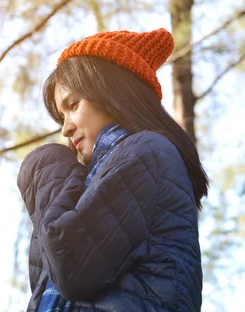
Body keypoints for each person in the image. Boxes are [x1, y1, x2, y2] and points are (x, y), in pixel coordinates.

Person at [17, 28, 208, 312]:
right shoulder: (84, 184)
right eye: (61, 115)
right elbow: (47, 282)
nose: (65, 128)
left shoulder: (149, 153)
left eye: (73, 105)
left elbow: (72, 266)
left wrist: (45, 169)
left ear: (111, 93)